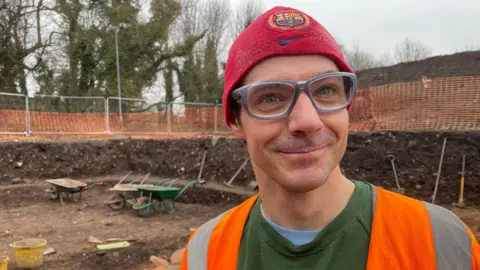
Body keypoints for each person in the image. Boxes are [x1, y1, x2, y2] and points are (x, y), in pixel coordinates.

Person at [180, 5, 480, 270]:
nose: (307, 121)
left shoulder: (440, 243)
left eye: (325, 91)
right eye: (271, 97)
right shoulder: (204, 253)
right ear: (235, 120)